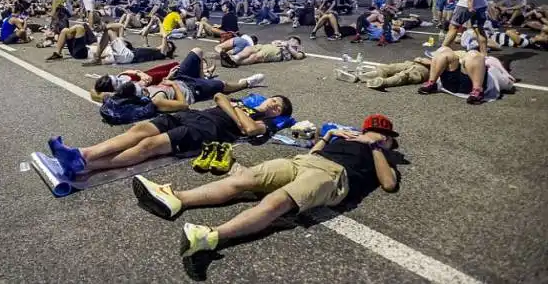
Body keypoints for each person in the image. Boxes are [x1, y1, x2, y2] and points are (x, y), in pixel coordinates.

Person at [131, 114, 399, 259]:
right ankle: (176, 198)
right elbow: (316, 154)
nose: (381, 138)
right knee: (242, 180)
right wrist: (327, 137)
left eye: (383, 137)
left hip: (331, 176)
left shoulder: (381, 155)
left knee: (276, 202)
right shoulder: (346, 136)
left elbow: (388, 183)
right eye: (378, 135)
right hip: (305, 160)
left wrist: (375, 147)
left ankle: (211, 237)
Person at [47, 93, 292, 176]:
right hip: (191, 116)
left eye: (279, 108)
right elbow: (219, 97)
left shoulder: (264, 124)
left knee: (149, 145)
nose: (274, 105)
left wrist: (238, 113)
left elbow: (249, 130)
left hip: (205, 131)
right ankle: (83, 153)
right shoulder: (242, 104)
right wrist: (237, 110)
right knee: (139, 130)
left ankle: (85, 165)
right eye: (275, 100)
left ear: (278, 114)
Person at [111, 47, 265, 109]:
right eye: (140, 87)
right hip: (191, 90)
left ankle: (204, 76)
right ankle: (246, 83)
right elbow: (183, 105)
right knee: (223, 85)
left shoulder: (144, 91)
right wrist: (173, 84)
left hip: (179, 79)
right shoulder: (156, 101)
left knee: (197, 51)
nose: (143, 85)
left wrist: (169, 78)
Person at [417, 46, 505, 104]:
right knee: (444, 50)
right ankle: (432, 83)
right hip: (452, 83)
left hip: (468, 84)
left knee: (473, 54)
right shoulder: (489, 60)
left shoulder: (491, 62)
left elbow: (507, 82)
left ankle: (477, 90)